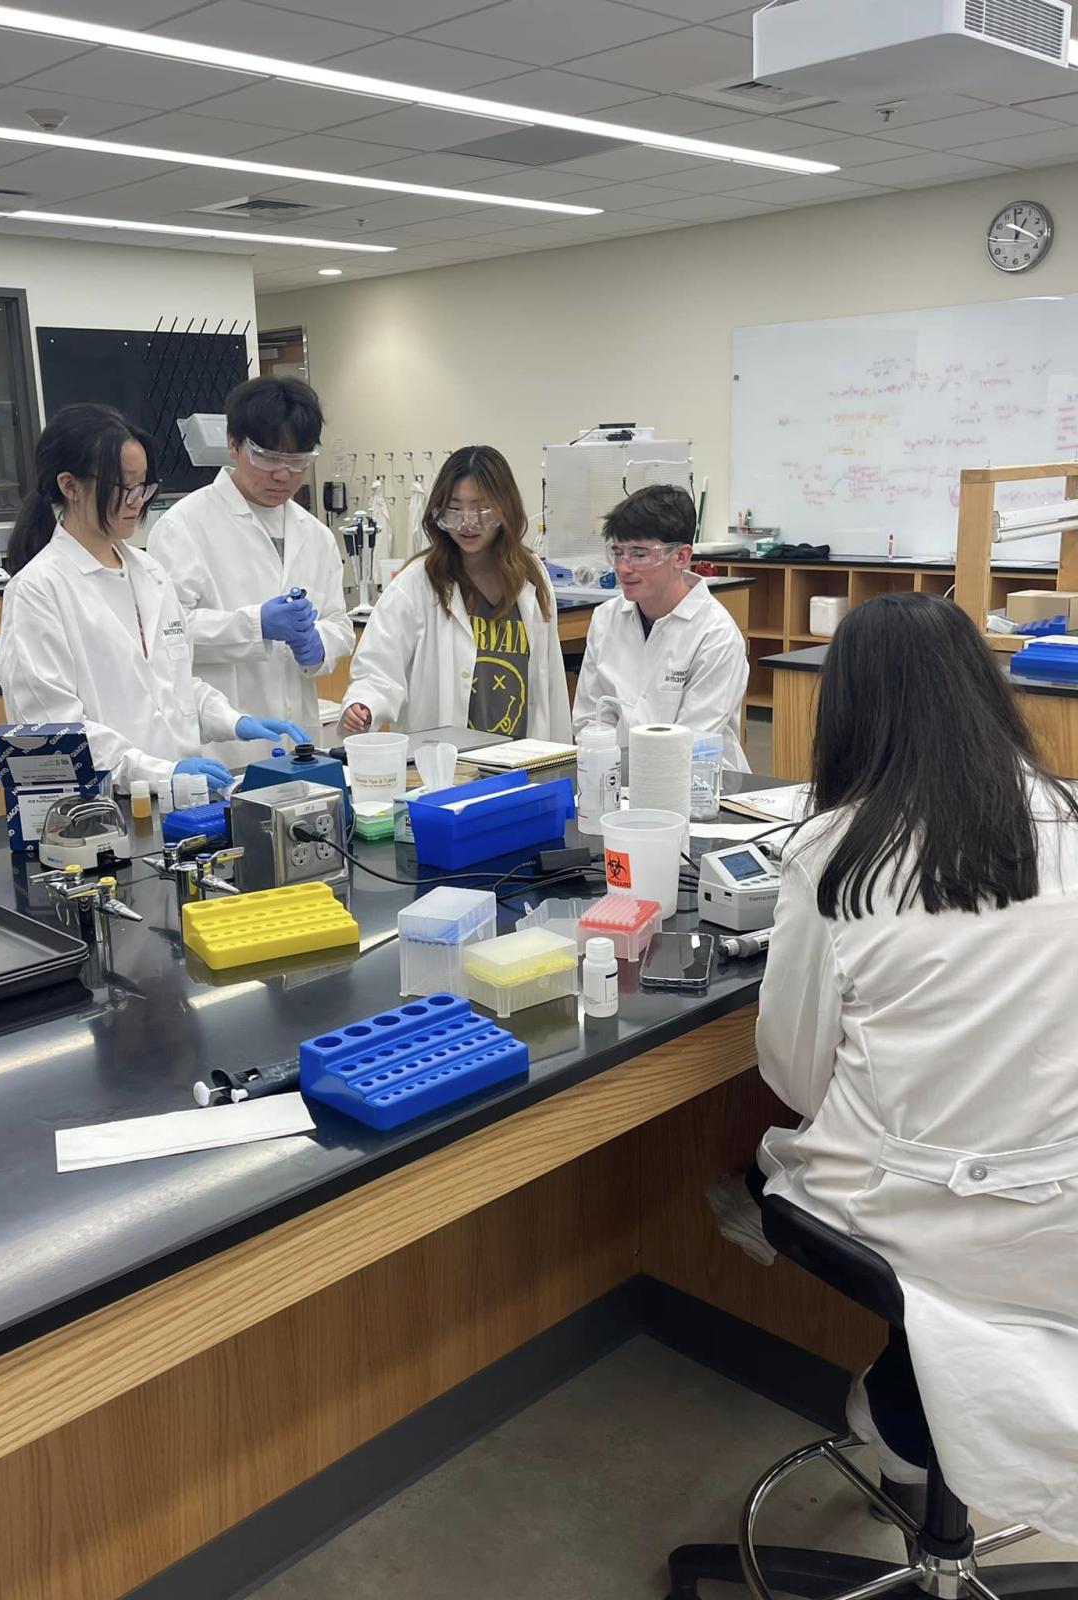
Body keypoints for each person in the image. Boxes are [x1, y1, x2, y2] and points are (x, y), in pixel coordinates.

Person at [755, 592, 1078, 1542]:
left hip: (926, 1221)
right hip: (1063, 1204)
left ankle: (900, 1419)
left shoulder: (836, 851)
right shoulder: (1070, 819)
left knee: (769, 1181)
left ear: (846, 710)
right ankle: (909, 1410)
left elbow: (794, 1074)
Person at [0, 405, 306, 795]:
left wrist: (232, 720)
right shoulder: (38, 590)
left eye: (143, 485)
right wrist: (158, 772)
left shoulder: (150, 574)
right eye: (124, 486)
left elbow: (173, 689)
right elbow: (56, 730)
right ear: (69, 485)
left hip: (184, 801)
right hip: (104, 809)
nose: (137, 501)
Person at [148, 376, 352, 765]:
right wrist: (256, 624)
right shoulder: (183, 527)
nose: (283, 474)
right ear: (233, 444)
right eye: (268, 457)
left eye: (297, 462)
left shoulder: (316, 535)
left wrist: (318, 645)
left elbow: (339, 623)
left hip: (299, 744)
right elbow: (166, 637)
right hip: (222, 749)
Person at [341, 446, 570, 740]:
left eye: (480, 507)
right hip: (447, 764)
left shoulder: (531, 575)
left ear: (505, 507)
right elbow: (378, 667)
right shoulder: (417, 583)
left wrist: (561, 759)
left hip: (521, 757)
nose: (467, 522)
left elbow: (550, 681)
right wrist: (364, 704)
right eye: (455, 508)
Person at [570, 484, 749, 769]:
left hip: (698, 787)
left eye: (640, 554)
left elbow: (692, 742)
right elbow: (589, 720)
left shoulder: (716, 635)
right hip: (617, 779)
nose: (623, 567)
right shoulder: (606, 619)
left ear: (681, 556)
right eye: (617, 552)